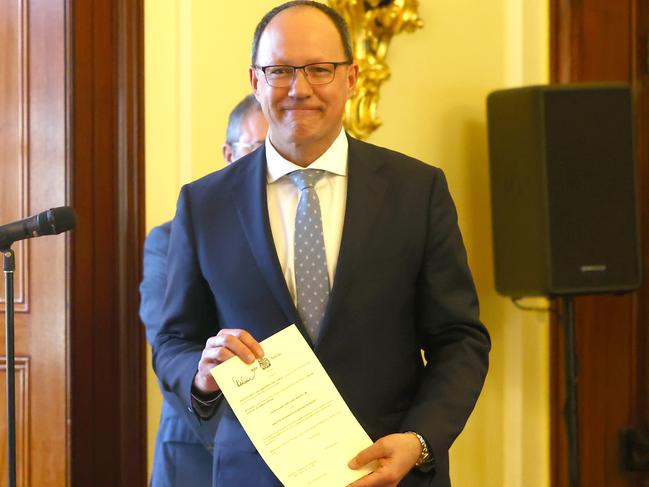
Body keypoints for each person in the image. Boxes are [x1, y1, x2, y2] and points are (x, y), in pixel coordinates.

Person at [153, 2, 491, 487]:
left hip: (390, 470)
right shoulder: (204, 204)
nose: (300, 88)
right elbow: (172, 341)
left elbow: (460, 339)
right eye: (281, 70)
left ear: (351, 77)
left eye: (319, 69)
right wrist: (201, 374)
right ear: (255, 80)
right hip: (253, 474)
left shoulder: (418, 190)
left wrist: (420, 440)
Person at [139, 94, 268, 487]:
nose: (266, 165)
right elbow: (169, 342)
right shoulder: (170, 238)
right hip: (198, 449)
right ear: (228, 154)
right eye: (256, 150)